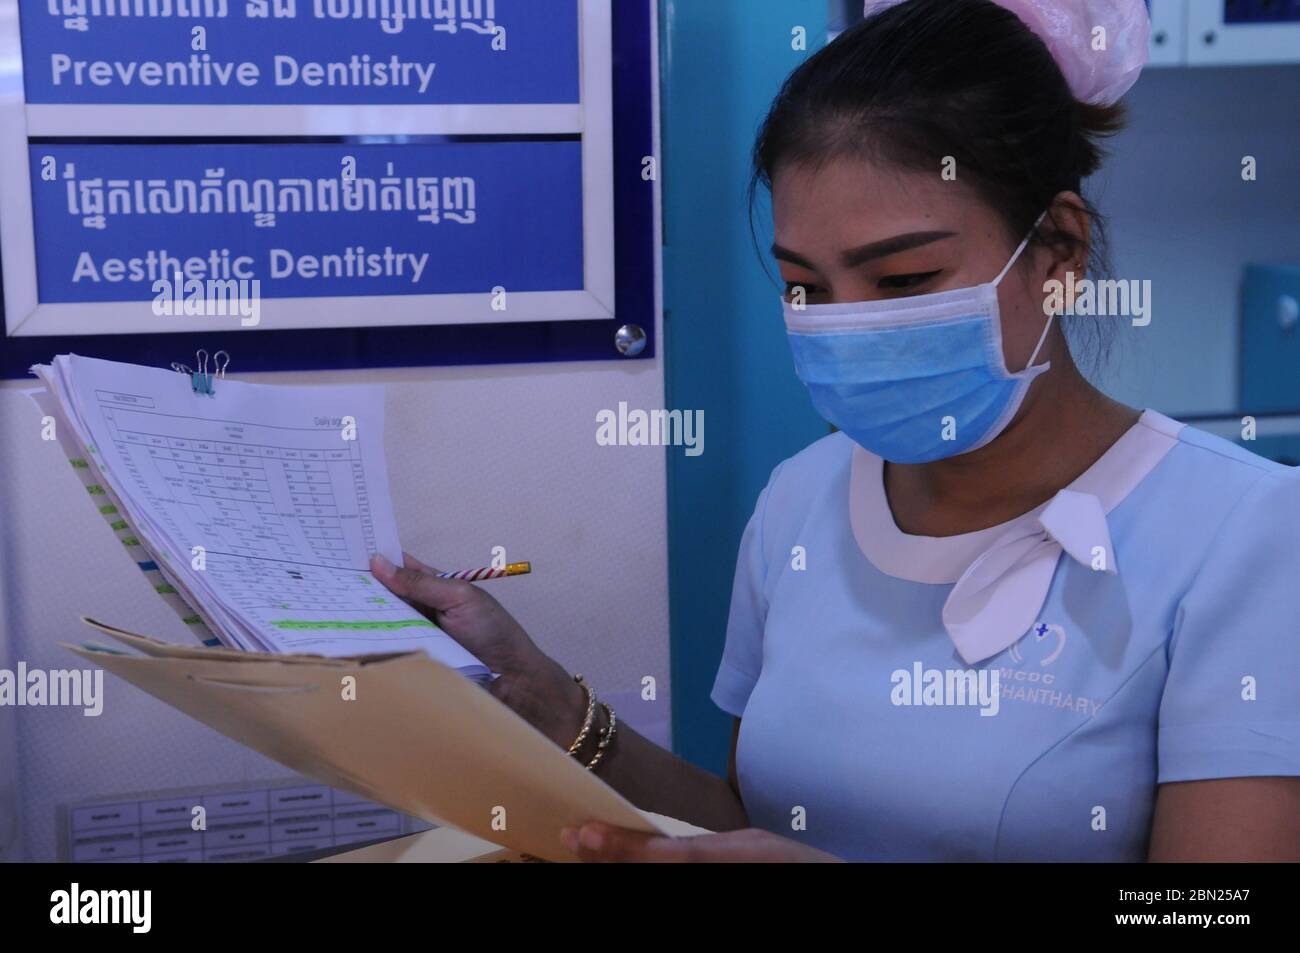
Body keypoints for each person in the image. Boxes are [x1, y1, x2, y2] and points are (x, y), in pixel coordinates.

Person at [372, 0, 1300, 861]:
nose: (846, 325)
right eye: (808, 288)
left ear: (1058, 251)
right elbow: (753, 822)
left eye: (901, 281)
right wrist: (542, 694)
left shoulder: (1246, 534)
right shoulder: (802, 502)